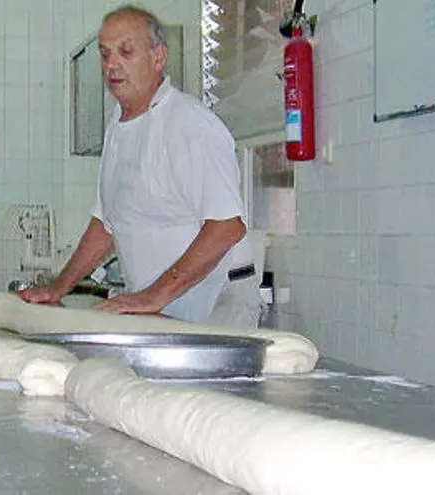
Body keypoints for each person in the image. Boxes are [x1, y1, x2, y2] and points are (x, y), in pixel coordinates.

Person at [18, 5, 262, 327]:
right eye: (105, 54)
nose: (112, 65)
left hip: (217, 302)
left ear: (158, 57)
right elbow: (106, 224)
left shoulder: (189, 124)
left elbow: (226, 227)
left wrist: (152, 296)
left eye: (126, 51)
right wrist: (58, 287)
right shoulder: (117, 126)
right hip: (165, 307)